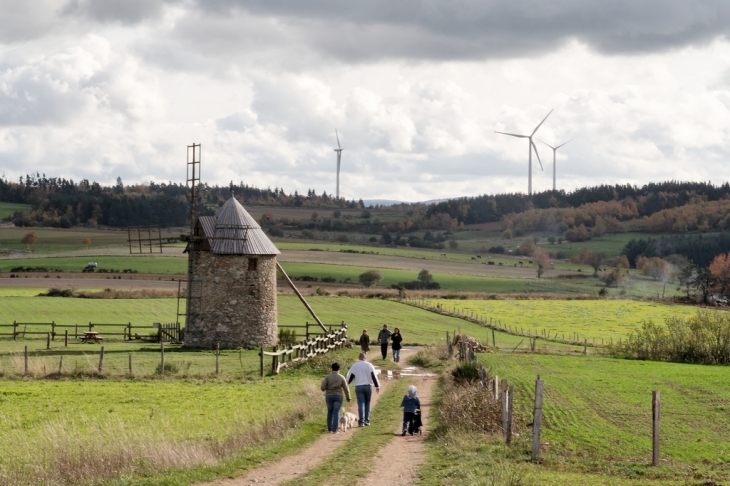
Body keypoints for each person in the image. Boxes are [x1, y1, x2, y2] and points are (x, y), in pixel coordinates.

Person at [345, 353, 381, 426]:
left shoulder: (355, 366)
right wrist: (377, 386)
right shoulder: (369, 365)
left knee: (361, 404)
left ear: (359, 358)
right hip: (368, 386)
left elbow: (350, 376)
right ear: (365, 358)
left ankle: (361, 421)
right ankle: (367, 420)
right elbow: (374, 376)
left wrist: (346, 384)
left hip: (359, 387)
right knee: (367, 403)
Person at [320, 362, 351, 434]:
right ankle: (335, 430)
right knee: (336, 412)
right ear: (339, 369)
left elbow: (322, 388)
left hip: (329, 396)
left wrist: (328, 388)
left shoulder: (327, 377)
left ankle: (329, 428)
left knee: (330, 411)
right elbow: (346, 388)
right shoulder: (341, 377)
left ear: (332, 369)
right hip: (338, 396)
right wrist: (348, 397)